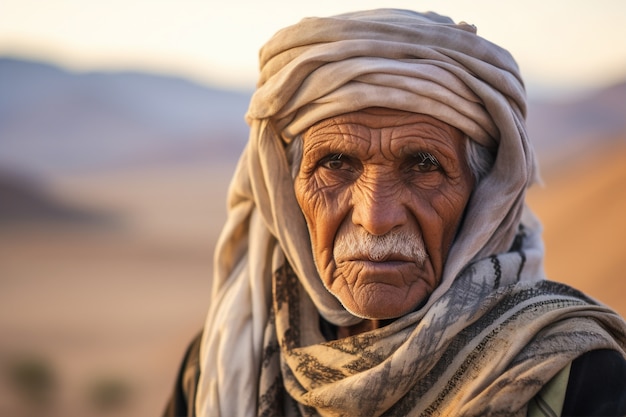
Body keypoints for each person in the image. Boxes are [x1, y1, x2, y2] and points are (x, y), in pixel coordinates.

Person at [163, 9, 626, 417]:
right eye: (335, 164)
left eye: (424, 166)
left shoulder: (579, 376)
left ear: (485, 196)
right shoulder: (219, 362)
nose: (376, 217)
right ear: (286, 190)